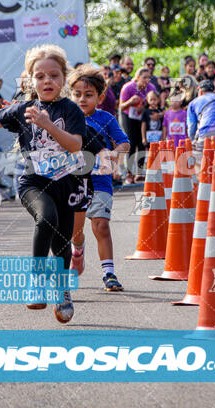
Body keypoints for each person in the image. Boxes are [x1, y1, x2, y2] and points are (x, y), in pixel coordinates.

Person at [0, 44, 101, 324]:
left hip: (66, 183)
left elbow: (75, 145)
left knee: (61, 240)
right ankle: (36, 282)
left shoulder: (70, 110)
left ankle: (62, 290)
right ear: (30, 80)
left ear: (63, 78)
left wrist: (48, 125)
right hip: (33, 181)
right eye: (40, 76)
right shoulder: (23, 108)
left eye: (54, 75)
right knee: (46, 219)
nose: (48, 81)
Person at [68, 65, 129, 291]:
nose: (82, 99)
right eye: (77, 94)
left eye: (88, 95)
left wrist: (115, 154)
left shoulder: (106, 118)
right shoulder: (64, 117)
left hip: (100, 180)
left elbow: (124, 142)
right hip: (72, 181)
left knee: (101, 226)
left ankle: (109, 273)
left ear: (100, 97)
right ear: (70, 95)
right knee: (76, 231)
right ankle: (78, 249)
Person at [119, 67, 156, 184]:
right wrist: (130, 101)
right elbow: (121, 106)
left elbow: (154, 102)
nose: (147, 80)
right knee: (131, 142)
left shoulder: (151, 88)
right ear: (138, 77)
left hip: (141, 115)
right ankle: (129, 173)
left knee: (141, 142)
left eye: (148, 78)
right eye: (144, 77)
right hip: (127, 115)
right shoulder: (128, 87)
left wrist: (144, 107)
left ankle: (139, 173)